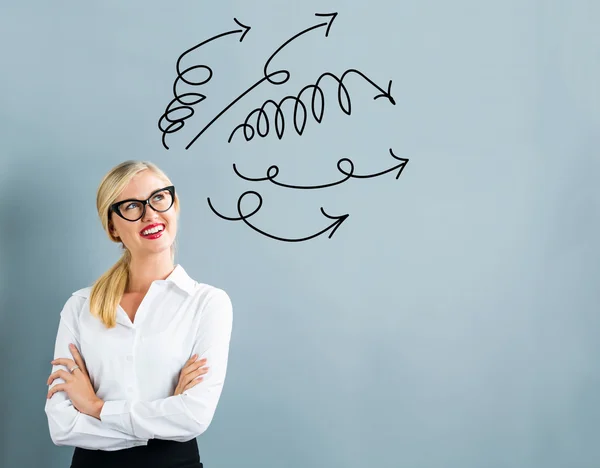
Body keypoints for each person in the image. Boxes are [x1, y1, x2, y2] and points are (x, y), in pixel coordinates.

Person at [44, 160, 233, 468]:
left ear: (175, 205)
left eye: (159, 198)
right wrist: (163, 416)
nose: (150, 214)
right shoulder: (80, 307)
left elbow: (194, 417)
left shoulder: (208, 303)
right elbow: (62, 425)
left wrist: (94, 406)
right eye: (132, 206)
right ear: (112, 227)